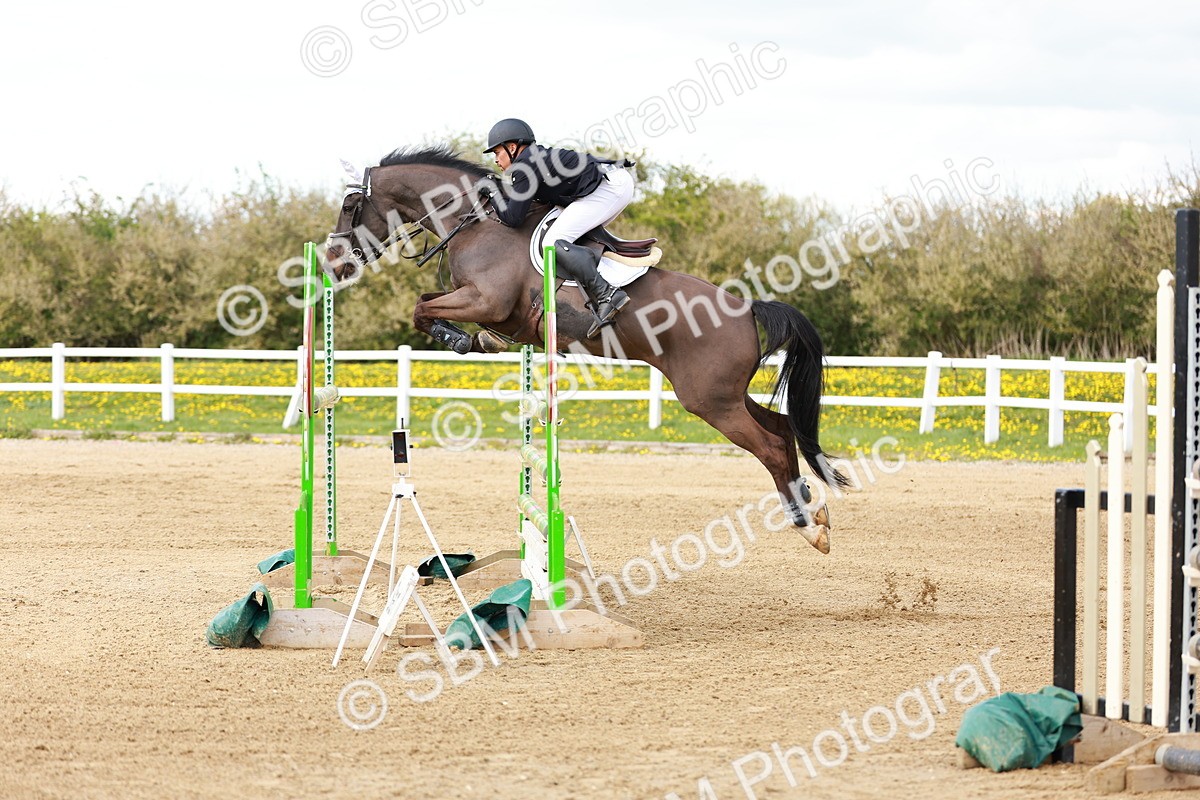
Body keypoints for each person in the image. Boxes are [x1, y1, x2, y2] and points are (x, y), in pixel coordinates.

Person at [480, 118, 633, 338]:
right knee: (565, 239)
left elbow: (513, 217)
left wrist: (492, 191)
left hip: (610, 187)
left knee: (552, 243)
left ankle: (607, 294)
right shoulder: (531, 162)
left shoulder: (524, 166)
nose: (496, 160)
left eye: (497, 153)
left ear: (511, 148)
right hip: (610, 183)